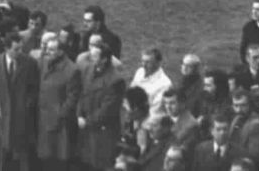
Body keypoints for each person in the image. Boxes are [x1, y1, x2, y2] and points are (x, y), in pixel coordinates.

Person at [0, 30, 41, 171]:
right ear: (6, 48)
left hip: (21, 116)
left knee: (22, 154)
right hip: (2, 116)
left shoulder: (29, 63)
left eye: (21, 48)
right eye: (16, 49)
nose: (19, 52)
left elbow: (34, 88)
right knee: (2, 151)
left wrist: (26, 105)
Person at [77, 39, 125, 171]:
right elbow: (82, 94)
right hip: (86, 130)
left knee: (99, 166)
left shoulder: (116, 80)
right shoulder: (88, 70)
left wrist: (87, 121)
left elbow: (107, 110)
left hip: (102, 134)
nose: (91, 58)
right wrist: (79, 115)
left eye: (94, 56)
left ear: (104, 60)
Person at [37, 33, 81, 171]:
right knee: (43, 159)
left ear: (61, 51)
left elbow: (72, 98)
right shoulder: (43, 62)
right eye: (47, 48)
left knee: (56, 160)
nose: (46, 52)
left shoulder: (72, 70)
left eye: (51, 50)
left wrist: (59, 115)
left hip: (58, 124)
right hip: (41, 119)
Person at [229, 88, 259, 164]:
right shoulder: (237, 118)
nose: (239, 109)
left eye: (243, 105)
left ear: (250, 105)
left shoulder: (256, 125)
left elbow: (254, 156)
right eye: (236, 105)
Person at [133, 47, 174, 117]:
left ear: (158, 63)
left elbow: (155, 110)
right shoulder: (140, 71)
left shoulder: (165, 84)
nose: (143, 65)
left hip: (150, 120)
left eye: (148, 62)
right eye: (142, 61)